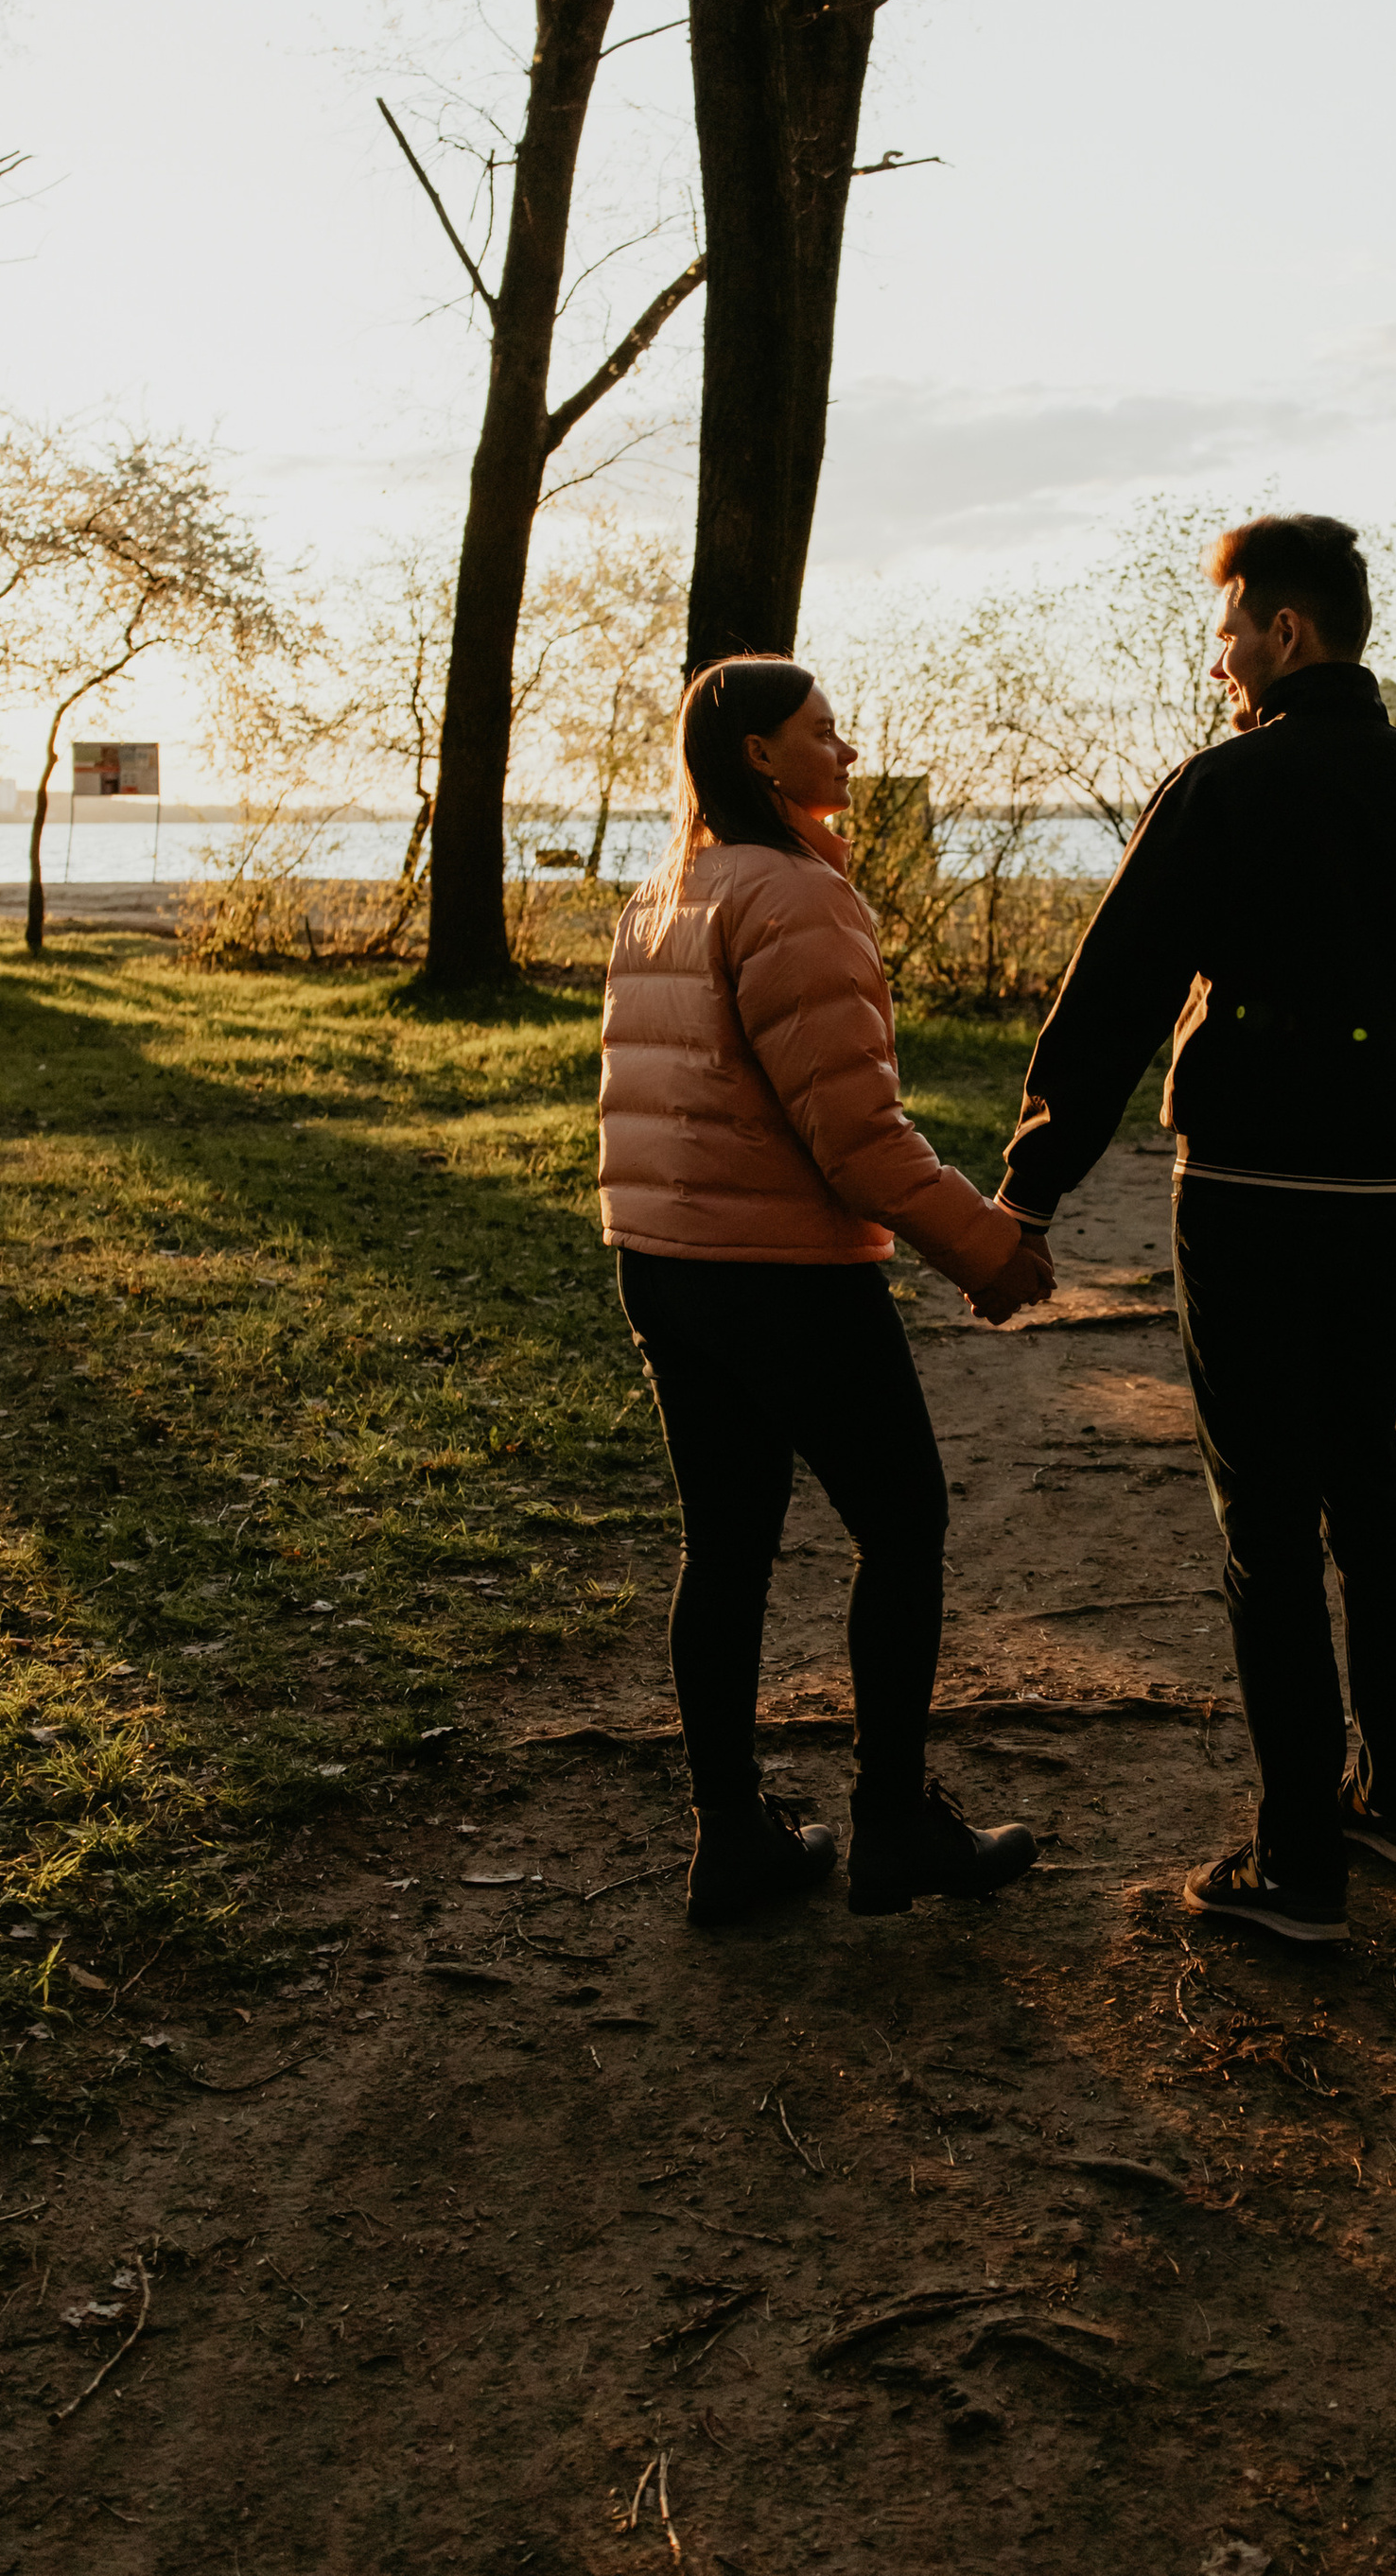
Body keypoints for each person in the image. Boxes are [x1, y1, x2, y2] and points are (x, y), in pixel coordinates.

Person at [992, 514, 1396, 1947]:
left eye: (1230, 631)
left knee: (1266, 1528)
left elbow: (1113, 996)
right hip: (1380, 1202)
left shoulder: (1225, 789)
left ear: (1287, 634)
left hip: (1240, 1197)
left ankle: (1297, 1865)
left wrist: (1033, 1189)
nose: (1220, 657)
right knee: (1368, 1486)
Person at [599, 653, 1054, 1928]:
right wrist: (987, 1245)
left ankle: (732, 1838)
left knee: (728, 1544)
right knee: (903, 1522)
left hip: (666, 1266)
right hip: (781, 1277)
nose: (846, 753)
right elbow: (854, 1133)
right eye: (824, 732)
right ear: (759, 755)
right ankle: (895, 1823)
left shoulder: (666, 891)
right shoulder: (794, 897)